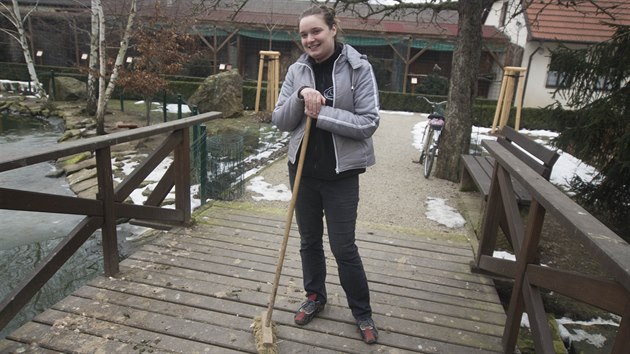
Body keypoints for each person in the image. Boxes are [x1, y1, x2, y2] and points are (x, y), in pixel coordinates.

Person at [271, 5, 380, 345]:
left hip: (341, 175)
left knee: (343, 247)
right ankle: (315, 295)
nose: (309, 39)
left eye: (315, 31)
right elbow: (280, 120)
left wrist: (321, 113)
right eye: (303, 34)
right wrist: (302, 96)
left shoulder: (359, 68)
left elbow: (368, 122)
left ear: (334, 28)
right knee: (308, 241)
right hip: (302, 171)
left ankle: (362, 312)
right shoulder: (297, 70)